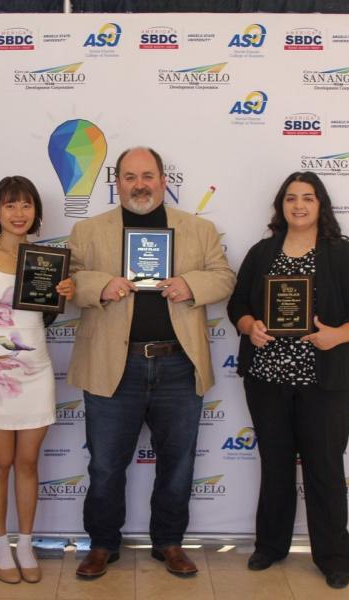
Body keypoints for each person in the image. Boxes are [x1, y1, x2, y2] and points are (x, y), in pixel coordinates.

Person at [68, 147, 236, 578]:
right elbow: (69, 281)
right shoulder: (88, 230)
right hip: (113, 364)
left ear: (163, 180)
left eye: (147, 176)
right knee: (105, 465)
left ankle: (169, 542)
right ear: (117, 183)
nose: (139, 185)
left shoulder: (199, 229)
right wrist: (101, 285)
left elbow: (224, 277)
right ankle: (102, 544)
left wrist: (191, 284)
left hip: (178, 365)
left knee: (178, 464)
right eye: (129, 177)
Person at [226, 171, 349, 589]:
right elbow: (237, 304)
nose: (299, 205)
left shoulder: (341, 254)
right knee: (275, 465)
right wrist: (249, 326)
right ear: (281, 205)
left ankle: (334, 557)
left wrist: (338, 335)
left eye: (308, 198)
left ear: (320, 205)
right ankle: (270, 546)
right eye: (291, 198)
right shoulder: (262, 252)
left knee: (324, 468)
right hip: (267, 380)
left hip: (324, 383)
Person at [0, 176, 75, 585]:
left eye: (26, 205)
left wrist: (62, 294)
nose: (19, 213)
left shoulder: (45, 259)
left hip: (37, 371)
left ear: (36, 212)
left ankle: (25, 542)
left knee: (27, 463)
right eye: (10, 205)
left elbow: (43, 318)